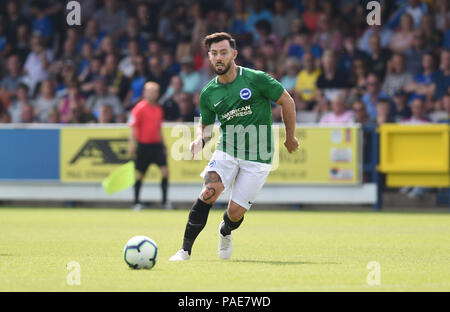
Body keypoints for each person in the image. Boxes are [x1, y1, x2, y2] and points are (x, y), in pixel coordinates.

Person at [169, 32, 299, 261]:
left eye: (223, 52)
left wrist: (290, 137)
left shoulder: (256, 79)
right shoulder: (208, 93)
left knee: (235, 214)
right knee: (208, 193)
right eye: (214, 53)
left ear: (234, 54)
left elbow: (287, 101)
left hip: (258, 157)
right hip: (227, 150)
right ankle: (184, 251)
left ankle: (225, 230)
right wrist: (200, 140)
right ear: (209, 57)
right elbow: (207, 129)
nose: (218, 57)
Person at [128, 81, 173, 211]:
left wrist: (164, 146)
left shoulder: (159, 109)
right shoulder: (139, 108)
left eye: (155, 91)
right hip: (143, 146)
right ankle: (136, 202)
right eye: (150, 91)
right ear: (145, 93)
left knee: (165, 172)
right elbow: (133, 127)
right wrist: (132, 145)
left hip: (157, 146)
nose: (153, 94)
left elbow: (159, 129)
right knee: (140, 175)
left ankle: (164, 202)